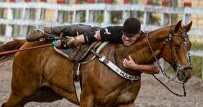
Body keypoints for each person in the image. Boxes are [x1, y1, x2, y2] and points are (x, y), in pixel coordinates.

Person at [30, 17, 160, 73]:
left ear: (138, 35)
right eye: (124, 34)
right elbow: (92, 36)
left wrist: (135, 66)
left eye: (130, 36)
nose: (126, 38)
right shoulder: (115, 32)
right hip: (98, 33)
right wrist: (71, 41)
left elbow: (155, 68)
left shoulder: (143, 42)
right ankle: (47, 31)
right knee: (83, 28)